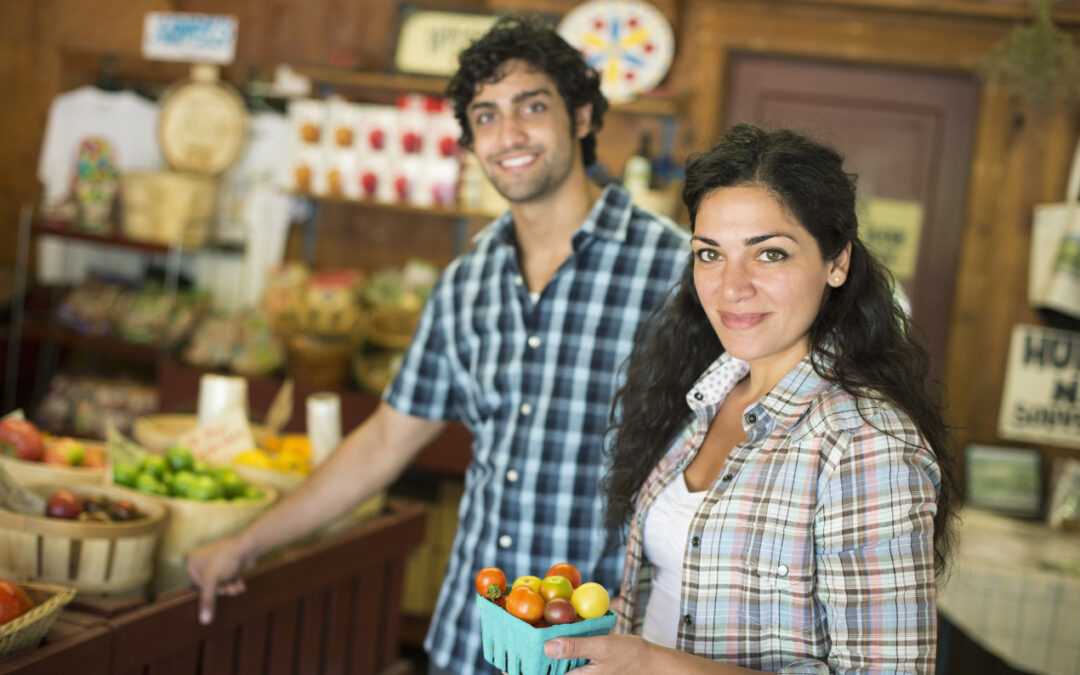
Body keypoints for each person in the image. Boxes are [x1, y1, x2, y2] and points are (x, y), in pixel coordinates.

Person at [185, 15, 690, 675]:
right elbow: (385, 441)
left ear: (584, 116)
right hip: (469, 640)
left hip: (602, 646)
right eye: (485, 116)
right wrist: (247, 543)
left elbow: (724, 461)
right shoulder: (467, 282)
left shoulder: (676, 271)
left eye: (532, 107)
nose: (508, 135)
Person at [544, 124, 959, 673]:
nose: (730, 286)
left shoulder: (864, 445)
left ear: (837, 262)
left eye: (769, 255)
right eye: (709, 254)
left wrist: (654, 665)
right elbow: (666, 592)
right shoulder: (704, 396)